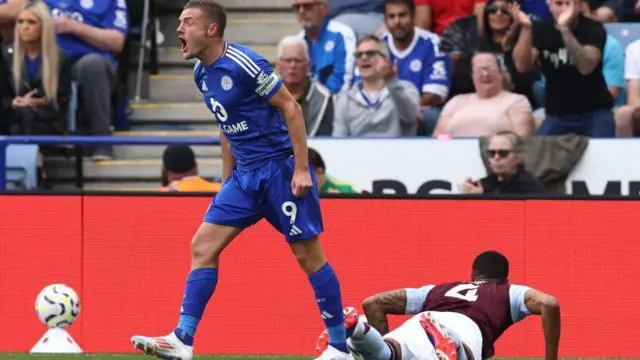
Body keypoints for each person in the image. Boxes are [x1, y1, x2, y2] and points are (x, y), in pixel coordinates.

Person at [130, 1, 350, 360]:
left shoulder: (245, 64)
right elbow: (225, 125)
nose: (178, 29)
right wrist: (227, 178)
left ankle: (339, 345)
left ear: (211, 30)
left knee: (308, 256)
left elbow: (291, 108)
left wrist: (299, 169)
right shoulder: (201, 74)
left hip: (280, 170)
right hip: (244, 177)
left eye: (187, 22)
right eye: (180, 22)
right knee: (202, 246)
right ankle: (183, 339)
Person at [317, 251, 561, 360]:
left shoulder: (438, 290)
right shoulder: (509, 291)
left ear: (472, 274)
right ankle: (452, 344)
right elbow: (550, 303)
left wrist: (385, 338)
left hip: (422, 321)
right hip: (461, 329)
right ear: (505, 279)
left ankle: (358, 330)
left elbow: (374, 303)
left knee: (386, 354)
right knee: (464, 352)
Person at [511, 0, 614, 137]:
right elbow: (522, 66)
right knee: (540, 154)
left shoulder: (593, 28)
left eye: (569, 3)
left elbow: (586, 66)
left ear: (578, 6)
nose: (565, 9)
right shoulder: (540, 29)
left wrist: (565, 30)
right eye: (559, 4)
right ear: (550, 7)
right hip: (557, 114)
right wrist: (526, 29)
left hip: (595, 112)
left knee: (602, 155)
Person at [333, 35, 420, 137]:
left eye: (370, 53)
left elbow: (410, 117)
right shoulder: (345, 99)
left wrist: (392, 82)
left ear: (386, 59)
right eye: (358, 55)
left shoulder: (407, 89)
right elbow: (338, 140)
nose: (363, 58)